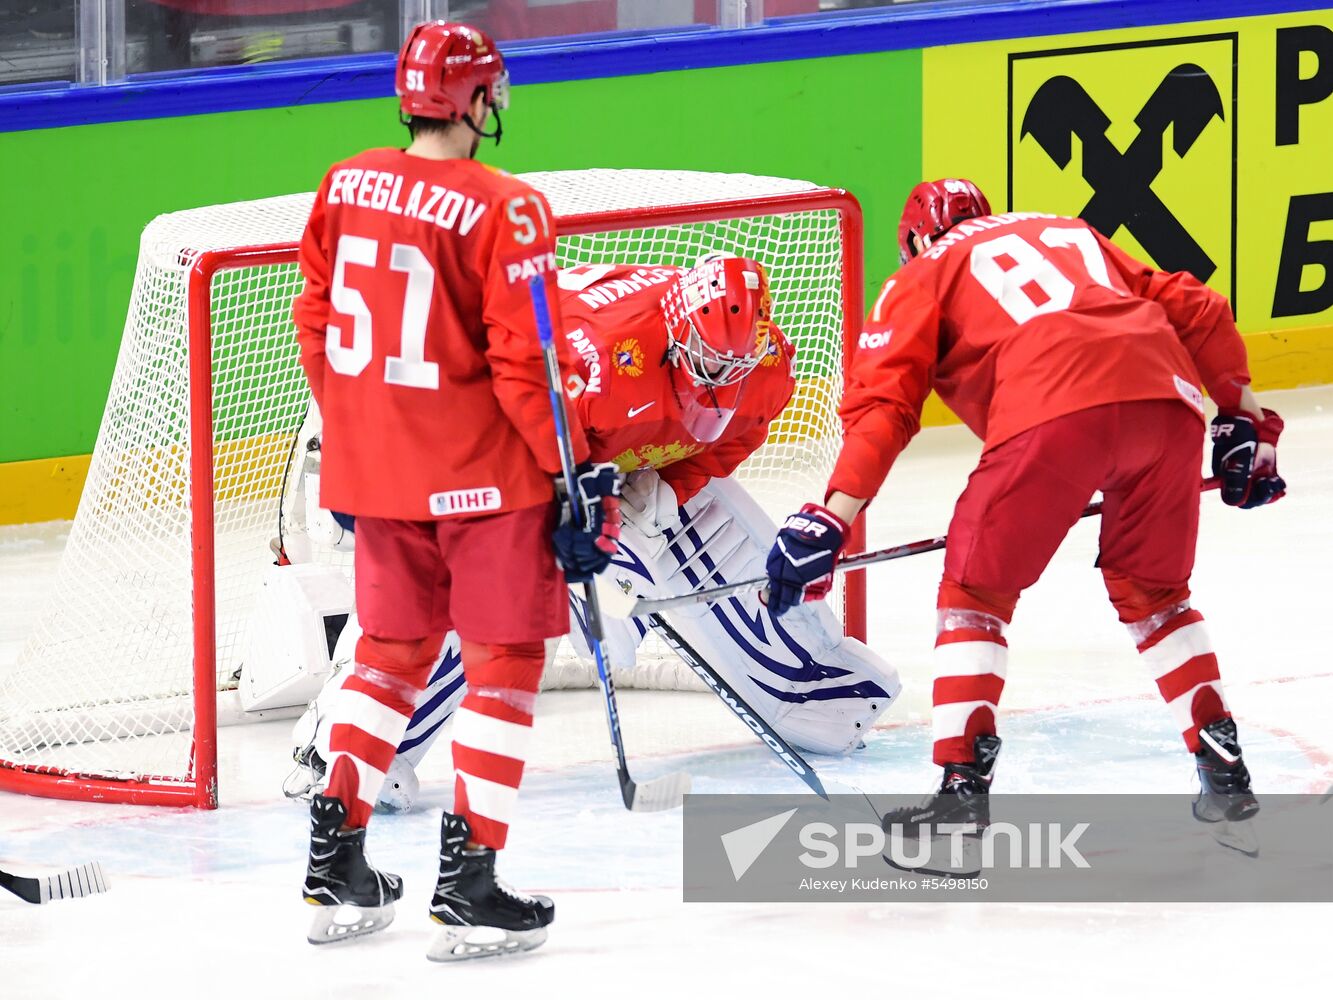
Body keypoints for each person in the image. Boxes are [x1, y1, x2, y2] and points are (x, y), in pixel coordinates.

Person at [766, 178, 1285, 855]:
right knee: (1156, 595)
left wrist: (831, 515)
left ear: (915, 240)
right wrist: (1245, 419)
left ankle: (960, 792)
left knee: (974, 595)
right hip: (1168, 402)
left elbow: (884, 408)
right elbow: (1197, 305)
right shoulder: (1069, 231)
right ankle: (1224, 770)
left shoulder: (920, 273)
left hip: (1051, 411)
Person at [282, 255, 901, 811]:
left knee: (695, 538)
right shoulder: (599, 358)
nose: (719, 379)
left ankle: (812, 694)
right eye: (705, 362)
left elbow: (727, 442)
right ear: (673, 337)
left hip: (587, 446)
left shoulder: (765, 370)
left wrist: (668, 488)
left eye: (731, 367)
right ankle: (347, 744)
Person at [289, 20, 620, 959]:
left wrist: (360, 440)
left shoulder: (344, 183)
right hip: (484, 480)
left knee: (387, 659)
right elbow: (528, 363)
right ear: (474, 100)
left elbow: (314, 320)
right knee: (502, 664)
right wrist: (571, 474)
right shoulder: (508, 206)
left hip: (378, 475)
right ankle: (470, 885)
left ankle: (335, 864)